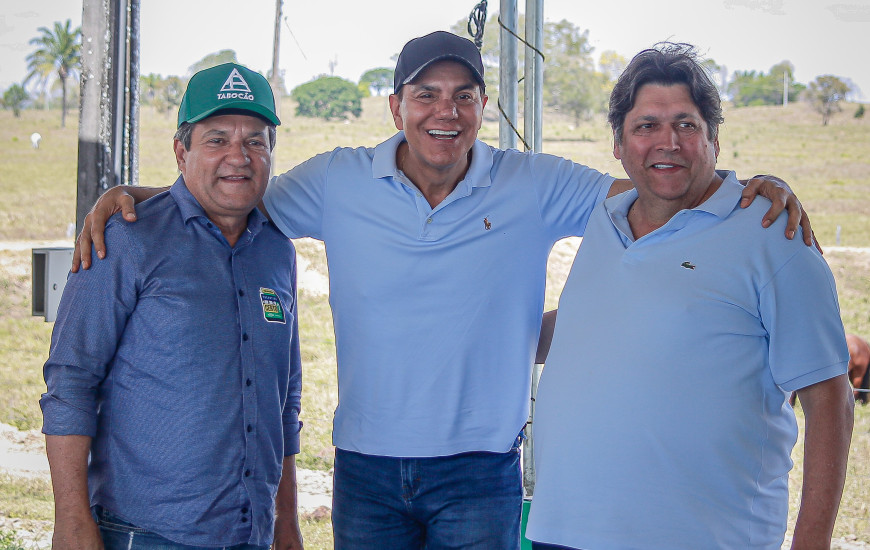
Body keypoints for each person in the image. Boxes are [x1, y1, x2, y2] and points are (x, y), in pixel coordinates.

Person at [73, 32, 811, 550]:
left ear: (483, 108)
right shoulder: (337, 180)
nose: (445, 111)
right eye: (426, 94)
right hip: (364, 470)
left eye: (464, 96)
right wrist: (137, 197)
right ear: (396, 107)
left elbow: (660, 181)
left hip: (482, 472)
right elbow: (230, 194)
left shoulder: (534, 183)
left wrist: (750, 188)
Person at [526, 44, 854, 550]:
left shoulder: (772, 234)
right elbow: (583, 328)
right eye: (646, 126)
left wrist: (812, 543)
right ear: (618, 144)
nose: (668, 142)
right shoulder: (604, 218)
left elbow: (829, 394)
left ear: (714, 139)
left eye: (686, 124)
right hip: (562, 532)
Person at [41, 63, 304, 550]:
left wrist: (286, 523)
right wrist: (72, 522)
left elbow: (283, 401)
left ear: (271, 153)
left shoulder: (277, 251)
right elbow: (70, 383)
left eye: (255, 141)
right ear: (181, 152)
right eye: (217, 140)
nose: (238, 157)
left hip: (253, 534)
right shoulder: (125, 238)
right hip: (146, 534)